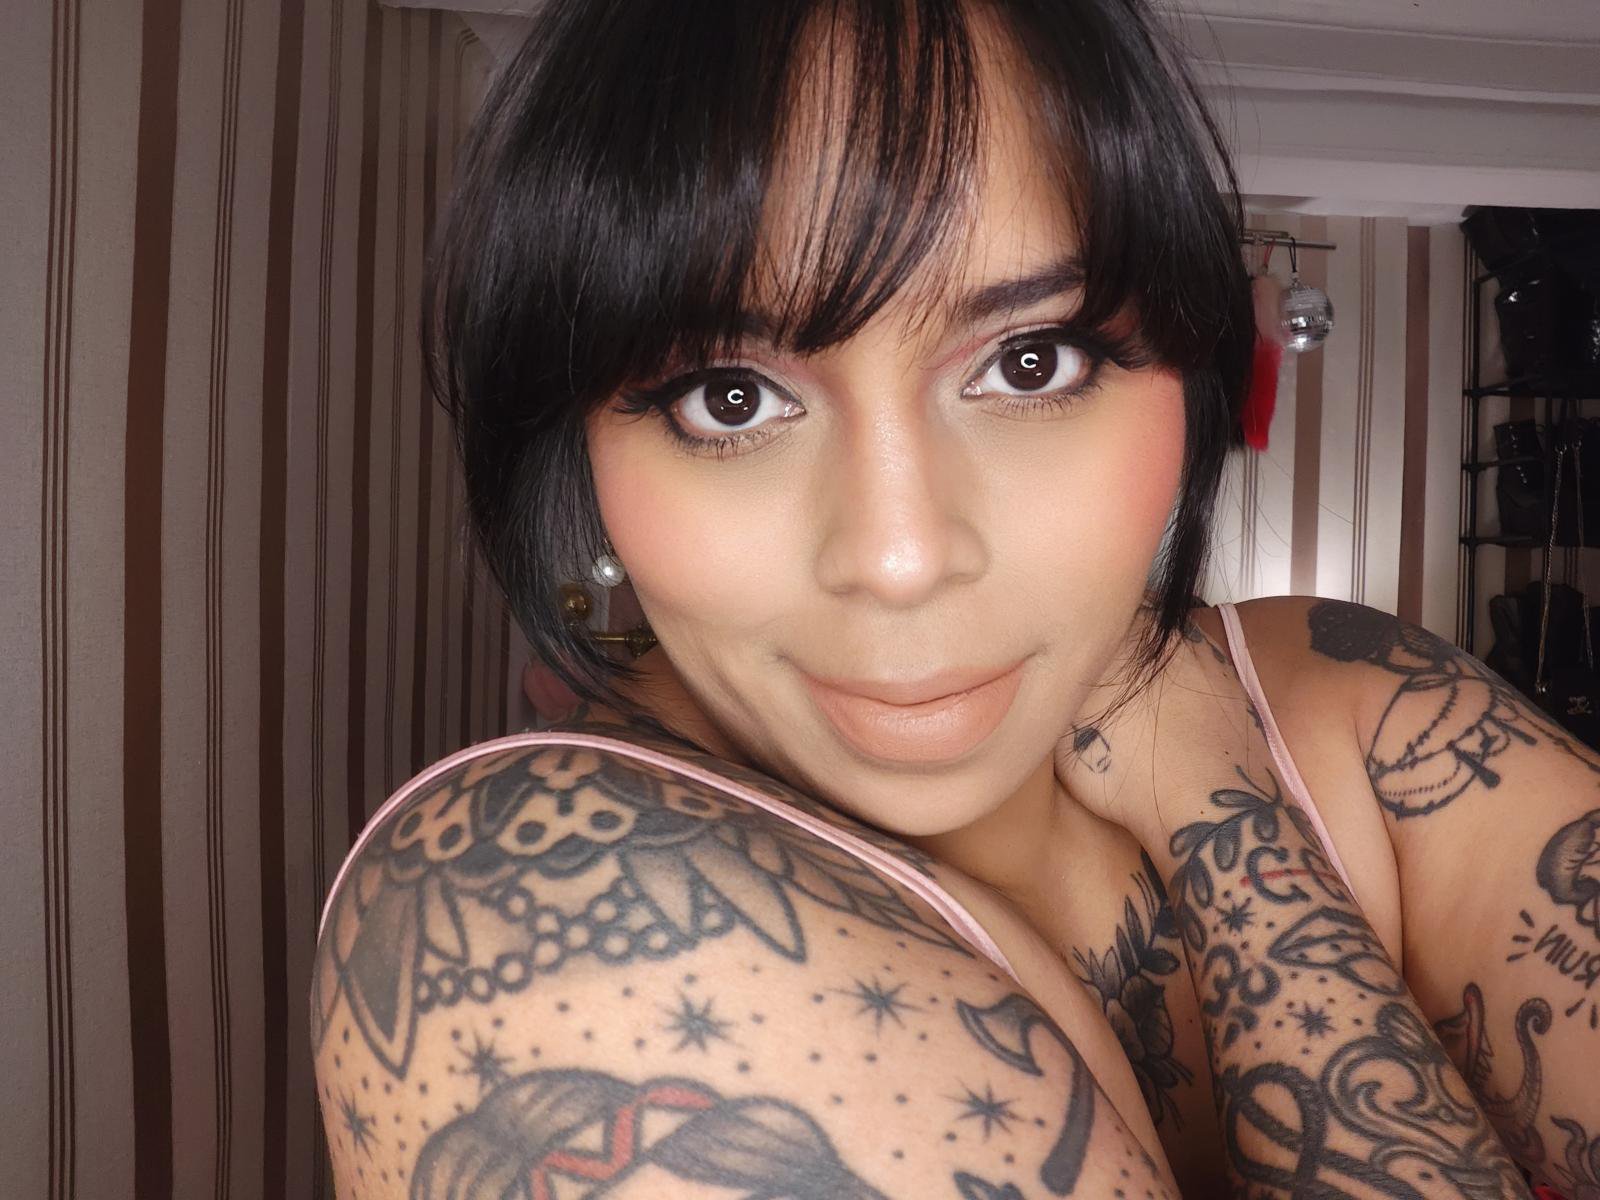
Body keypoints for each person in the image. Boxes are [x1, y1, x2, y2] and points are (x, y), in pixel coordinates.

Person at [312, 0, 1600, 1195]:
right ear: (581, 449)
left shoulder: (1357, 697)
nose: (901, 557)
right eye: (731, 397)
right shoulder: (541, 918)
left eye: (1030, 362)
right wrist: (1237, 816)